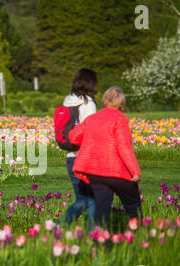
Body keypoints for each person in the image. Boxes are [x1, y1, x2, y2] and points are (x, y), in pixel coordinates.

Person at [69, 86, 142, 229]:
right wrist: (135, 171)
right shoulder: (120, 119)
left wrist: (90, 139)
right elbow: (123, 146)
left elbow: (73, 137)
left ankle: (100, 241)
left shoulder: (92, 119)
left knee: (102, 209)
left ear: (105, 101)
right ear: (121, 102)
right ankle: (138, 233)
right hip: (118, 172)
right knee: (133, 205)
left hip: (96, 173)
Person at [61, 68, 97, 230]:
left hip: (70, 156)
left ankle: (58, 228)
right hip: (84, 157)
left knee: (83, 198)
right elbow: (90, 131)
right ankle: (93, 235)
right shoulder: (88, 104)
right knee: (91, 199)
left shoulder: (67, 100)